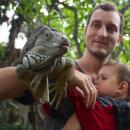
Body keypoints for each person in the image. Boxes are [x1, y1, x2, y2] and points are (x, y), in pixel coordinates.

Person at [0, 2, 125, 130]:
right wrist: (57, 71)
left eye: (111, 28)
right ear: (85, 31)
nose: (102, 33)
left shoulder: (124, 80)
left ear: (119, 39)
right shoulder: (57, 63)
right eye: (96, 25)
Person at [62, 61, 130, 130]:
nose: (96, 81)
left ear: (122, 87)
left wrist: (72, 74)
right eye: (97, 78)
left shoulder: (92, 104)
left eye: (103, 78)